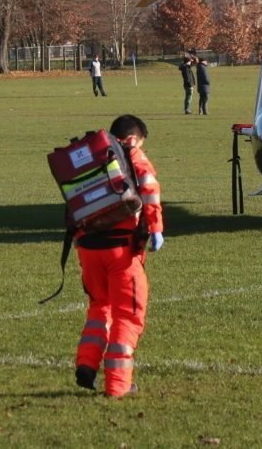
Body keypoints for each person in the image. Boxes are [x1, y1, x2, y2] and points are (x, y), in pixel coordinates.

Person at [73, 114, 164, 399]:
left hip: (87, 247)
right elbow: (149, 188)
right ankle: (118, 384)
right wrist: (156, 228)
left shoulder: (91, 156)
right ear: (134, 138)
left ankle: (87, 364)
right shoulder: (129, 154)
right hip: (120, 251)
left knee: (101, 306)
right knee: (128, 314)